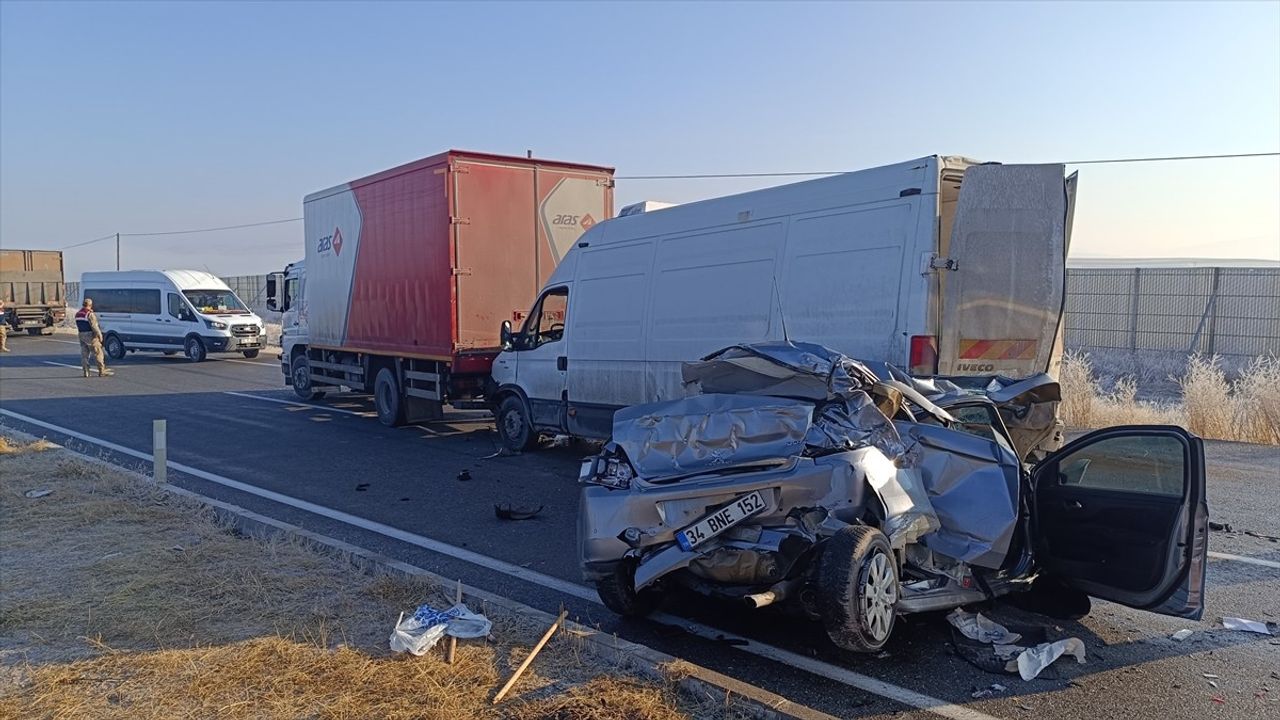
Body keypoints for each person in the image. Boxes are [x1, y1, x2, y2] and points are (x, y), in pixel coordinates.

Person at [75, 298, 112, 377]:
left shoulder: (78, 314)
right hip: (90, 335)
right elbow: (94, 326)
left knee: (84, 354)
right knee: (98, 352)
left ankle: (86, 371)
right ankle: (101, 370)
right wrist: (99, 335)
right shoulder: (89, 314)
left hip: (81, 335)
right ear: (90, 305)